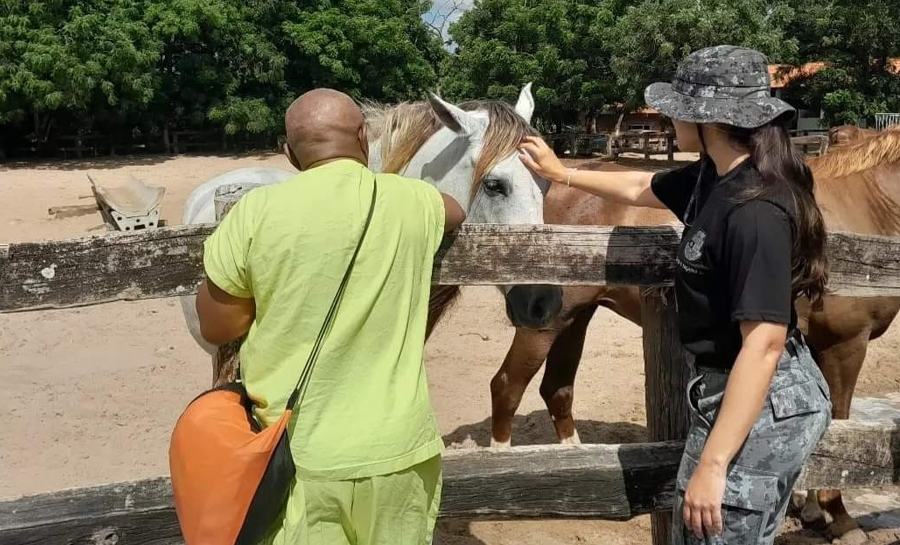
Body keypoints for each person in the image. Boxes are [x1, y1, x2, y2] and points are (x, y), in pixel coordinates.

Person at [519, 45, 832, 544]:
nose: (667, 119)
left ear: (709, 119)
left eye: (675, 108)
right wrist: (562, 174)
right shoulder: (715, 178)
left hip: (760, 398)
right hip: (729, 391)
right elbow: (644, 186)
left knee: (715, 532)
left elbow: (765, 343)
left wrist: (713, 463)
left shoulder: (755, 210)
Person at [195, 88, 466, 545]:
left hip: (300, 455)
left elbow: (217, 327)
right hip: (399, 452)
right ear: (363, 135)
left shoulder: (255, 212)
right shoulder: (412, 200)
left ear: (288, 152)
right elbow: (456, 210)